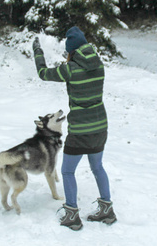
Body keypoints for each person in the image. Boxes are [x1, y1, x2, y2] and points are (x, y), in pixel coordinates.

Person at [32, 26, 117, 231]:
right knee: (97, 167)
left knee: (68, 171)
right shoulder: (99, 65)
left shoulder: (70, 69)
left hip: (80, 131)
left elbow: (43, 73)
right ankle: (107, 210)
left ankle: (72, 215)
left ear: (71, 50)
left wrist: (37, 51)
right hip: (100, 127)